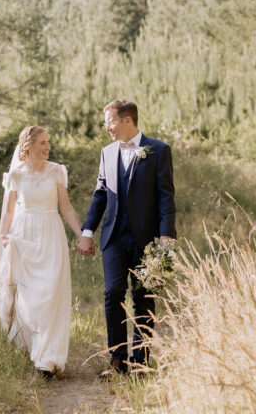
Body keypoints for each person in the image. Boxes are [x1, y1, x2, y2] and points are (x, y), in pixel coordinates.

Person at [77, 99, 176, 379]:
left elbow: (167, 196)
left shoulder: (158, 150)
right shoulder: (107, 153)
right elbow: (100, 194)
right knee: (113, 294)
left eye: (110, 121)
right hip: (114, 238)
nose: (107, 127)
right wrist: (87, 232)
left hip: (148, 239)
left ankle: (140, 362)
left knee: (144, 298)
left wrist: (166, 237)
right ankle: (117, 360)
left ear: (127, 121)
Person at [0, 125, 83, 379]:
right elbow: (9, 211)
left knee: (50, 292)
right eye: (43, 142)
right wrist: (4, 236)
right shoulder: (16, 175)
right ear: (29, 145)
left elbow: (66, 208)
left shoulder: (57, 172)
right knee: (27, 295)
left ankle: (48, 359)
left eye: (48, 142)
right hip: (23, 236)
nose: (48, 147)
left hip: (50, 233)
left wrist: (82, 235)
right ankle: (33, 348)